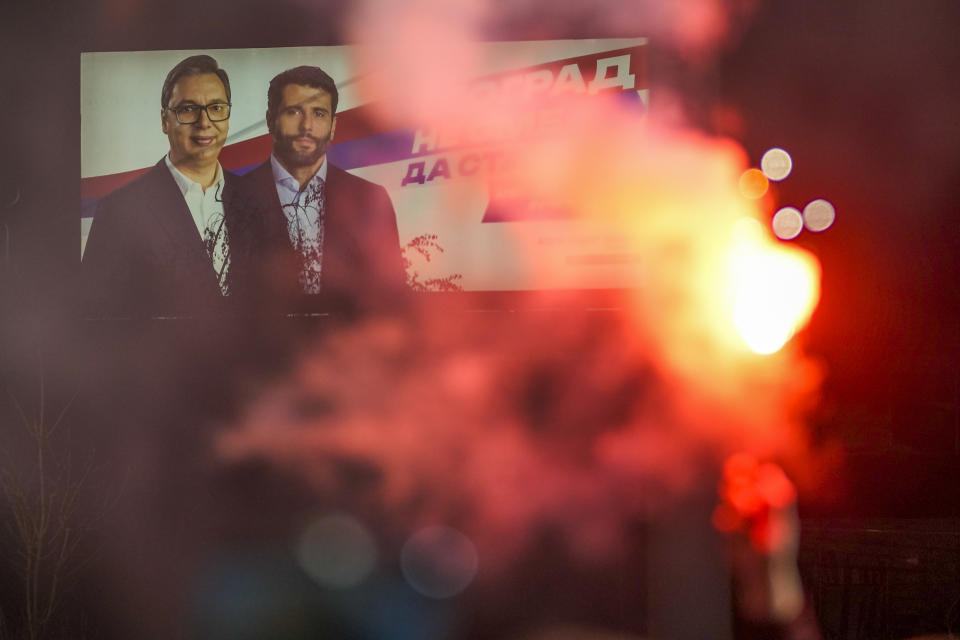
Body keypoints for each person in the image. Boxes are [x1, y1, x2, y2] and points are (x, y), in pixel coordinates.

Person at [230, 65, 406, 315]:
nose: (307, 126)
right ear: (270, 120)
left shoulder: (368, 199)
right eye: (293, 112)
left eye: (319, 114)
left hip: (351, 351)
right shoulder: (229, 198)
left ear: (333, 126)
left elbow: (393, 299)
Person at [81, 54, 242, 317]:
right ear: (165, 120)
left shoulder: (256, 196)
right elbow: (96, 319)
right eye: (188, 109)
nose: (204, 123)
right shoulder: (120, 210)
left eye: (216, 108)